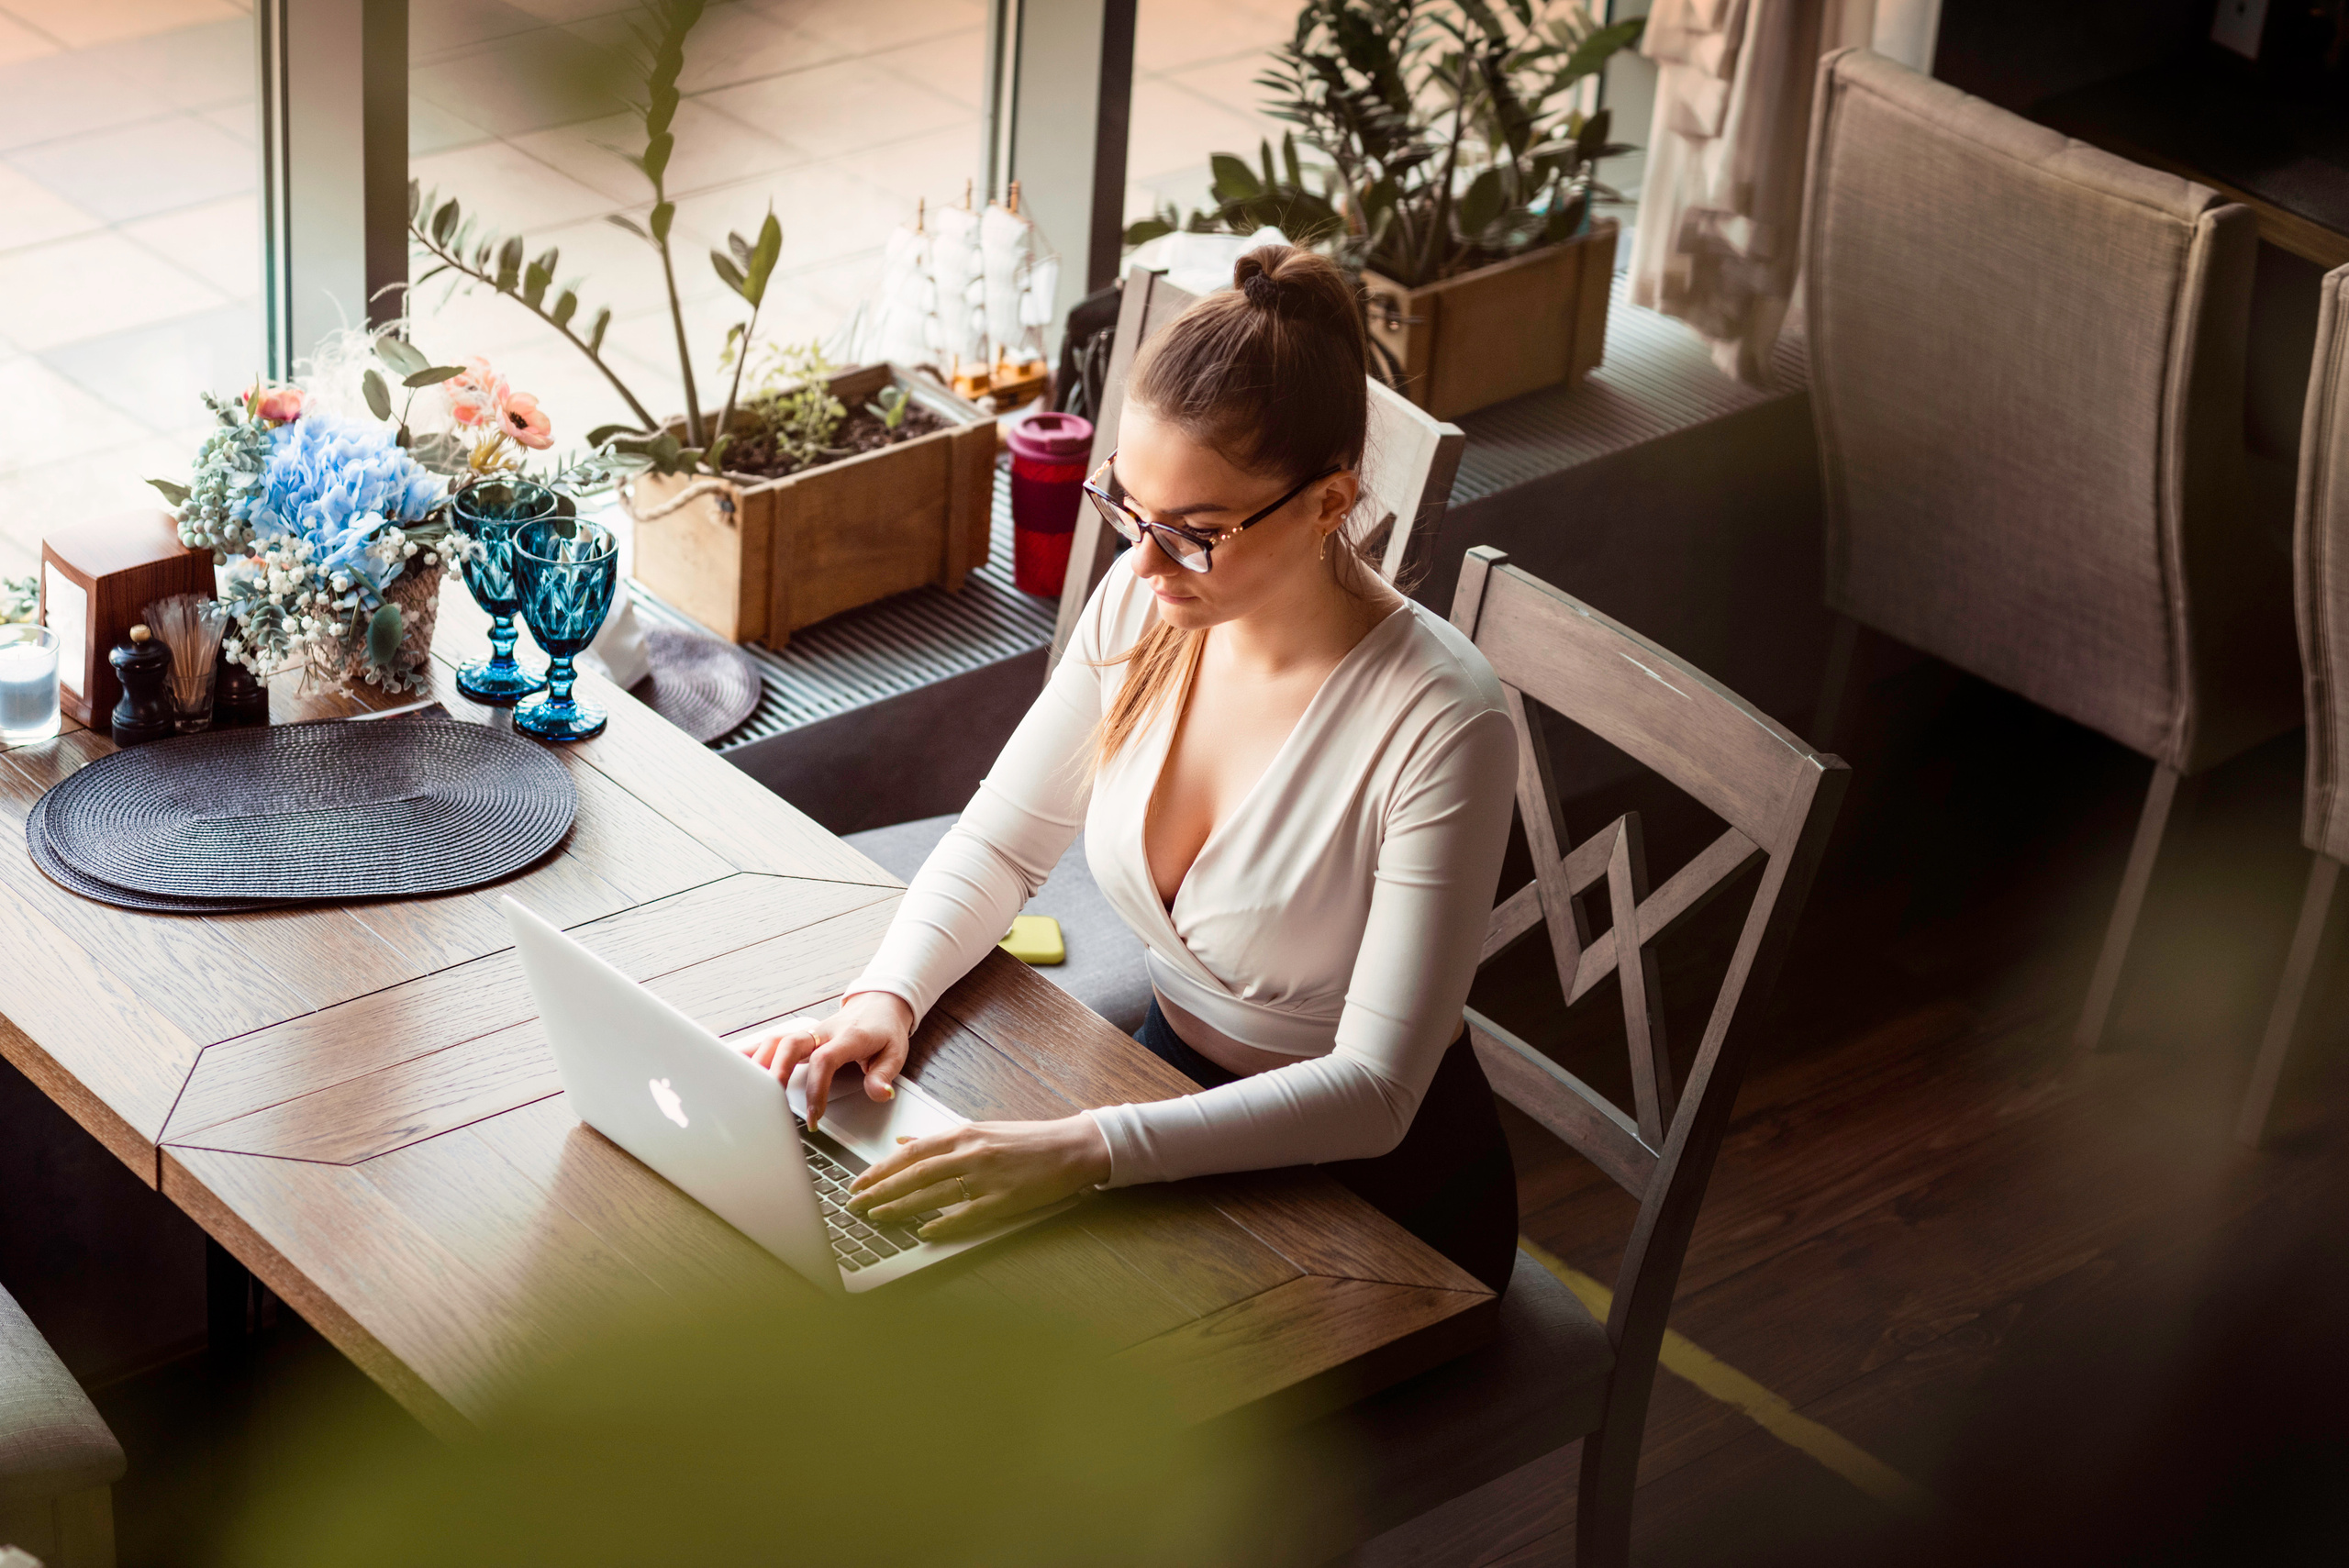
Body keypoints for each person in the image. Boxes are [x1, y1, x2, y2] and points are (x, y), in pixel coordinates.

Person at [744, 245, 1523, 1292]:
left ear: (1330, 503)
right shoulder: (1144, 603)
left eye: (1195, 533)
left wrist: (1084, 1148)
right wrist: (886, 995)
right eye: (1128, 508)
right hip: (1156, 1089)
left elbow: (1376, 1092)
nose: (1144, 563)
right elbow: (1002, 842)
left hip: (1374, 1209)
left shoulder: (1443, 721)